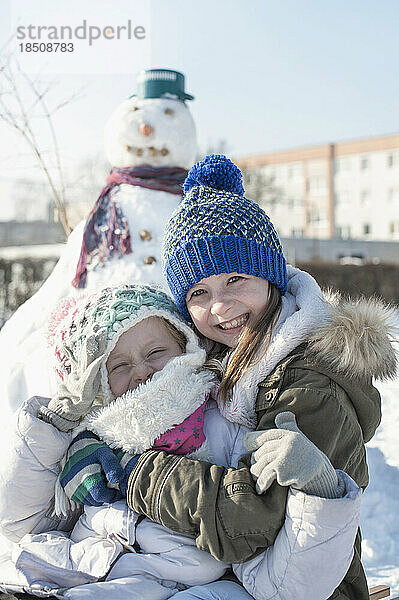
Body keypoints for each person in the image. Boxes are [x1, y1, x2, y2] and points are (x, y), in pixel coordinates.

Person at [119, 154, 398, 600]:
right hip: (229, 577)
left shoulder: (306, 384)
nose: (220, 307)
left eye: (235, 279)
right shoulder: (217, 359)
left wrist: (140, 474)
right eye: (199, 292)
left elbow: (244, 521)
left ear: (270, 277)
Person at [0, 284, 362, 600]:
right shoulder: (93, 441)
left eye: (156, 353)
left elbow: (280, 582)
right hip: (76, 574)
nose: (141, 372)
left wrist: (319, 491)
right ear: (100, 385)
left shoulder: (225, 428)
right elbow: (20, 523)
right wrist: (52, 427)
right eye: (119, 366)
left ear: (187, 348)